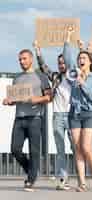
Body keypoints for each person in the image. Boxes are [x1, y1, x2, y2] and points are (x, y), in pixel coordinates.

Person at [3, 49, 51, 192]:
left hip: (35, 118)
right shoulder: (16, 78)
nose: (21, 62)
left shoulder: (41, 76)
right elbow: (15, 100)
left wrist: (36, 99)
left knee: (34, 151)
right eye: (19, 60)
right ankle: (31, 170)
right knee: (15, 149)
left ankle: (30, 180)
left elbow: (49, 97)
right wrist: (9, 101)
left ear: (31, 59)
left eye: (24, 59)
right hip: (19, 118)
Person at [63, 28, 92, 192]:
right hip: (74, 113)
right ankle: (82, 183)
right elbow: (67, 57)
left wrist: (83, 84)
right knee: (77, 147)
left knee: (86, 147)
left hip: (89, 114)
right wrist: (68, 37)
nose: (80, 60)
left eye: (84, 58)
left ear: (90, 62)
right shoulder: (74, 72)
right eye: (79, 58)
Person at [33, 40, 74, 190]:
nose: (61, 65)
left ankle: (82, 177)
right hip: (57, 115)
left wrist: (69, 41)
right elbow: (44, 68)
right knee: (60, 149)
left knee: (76, 147)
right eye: (59, 63)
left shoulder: (73, 75)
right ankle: (63, 178)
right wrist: (38, 51)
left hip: (72, 116)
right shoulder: (55, 77)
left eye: (63, 63)